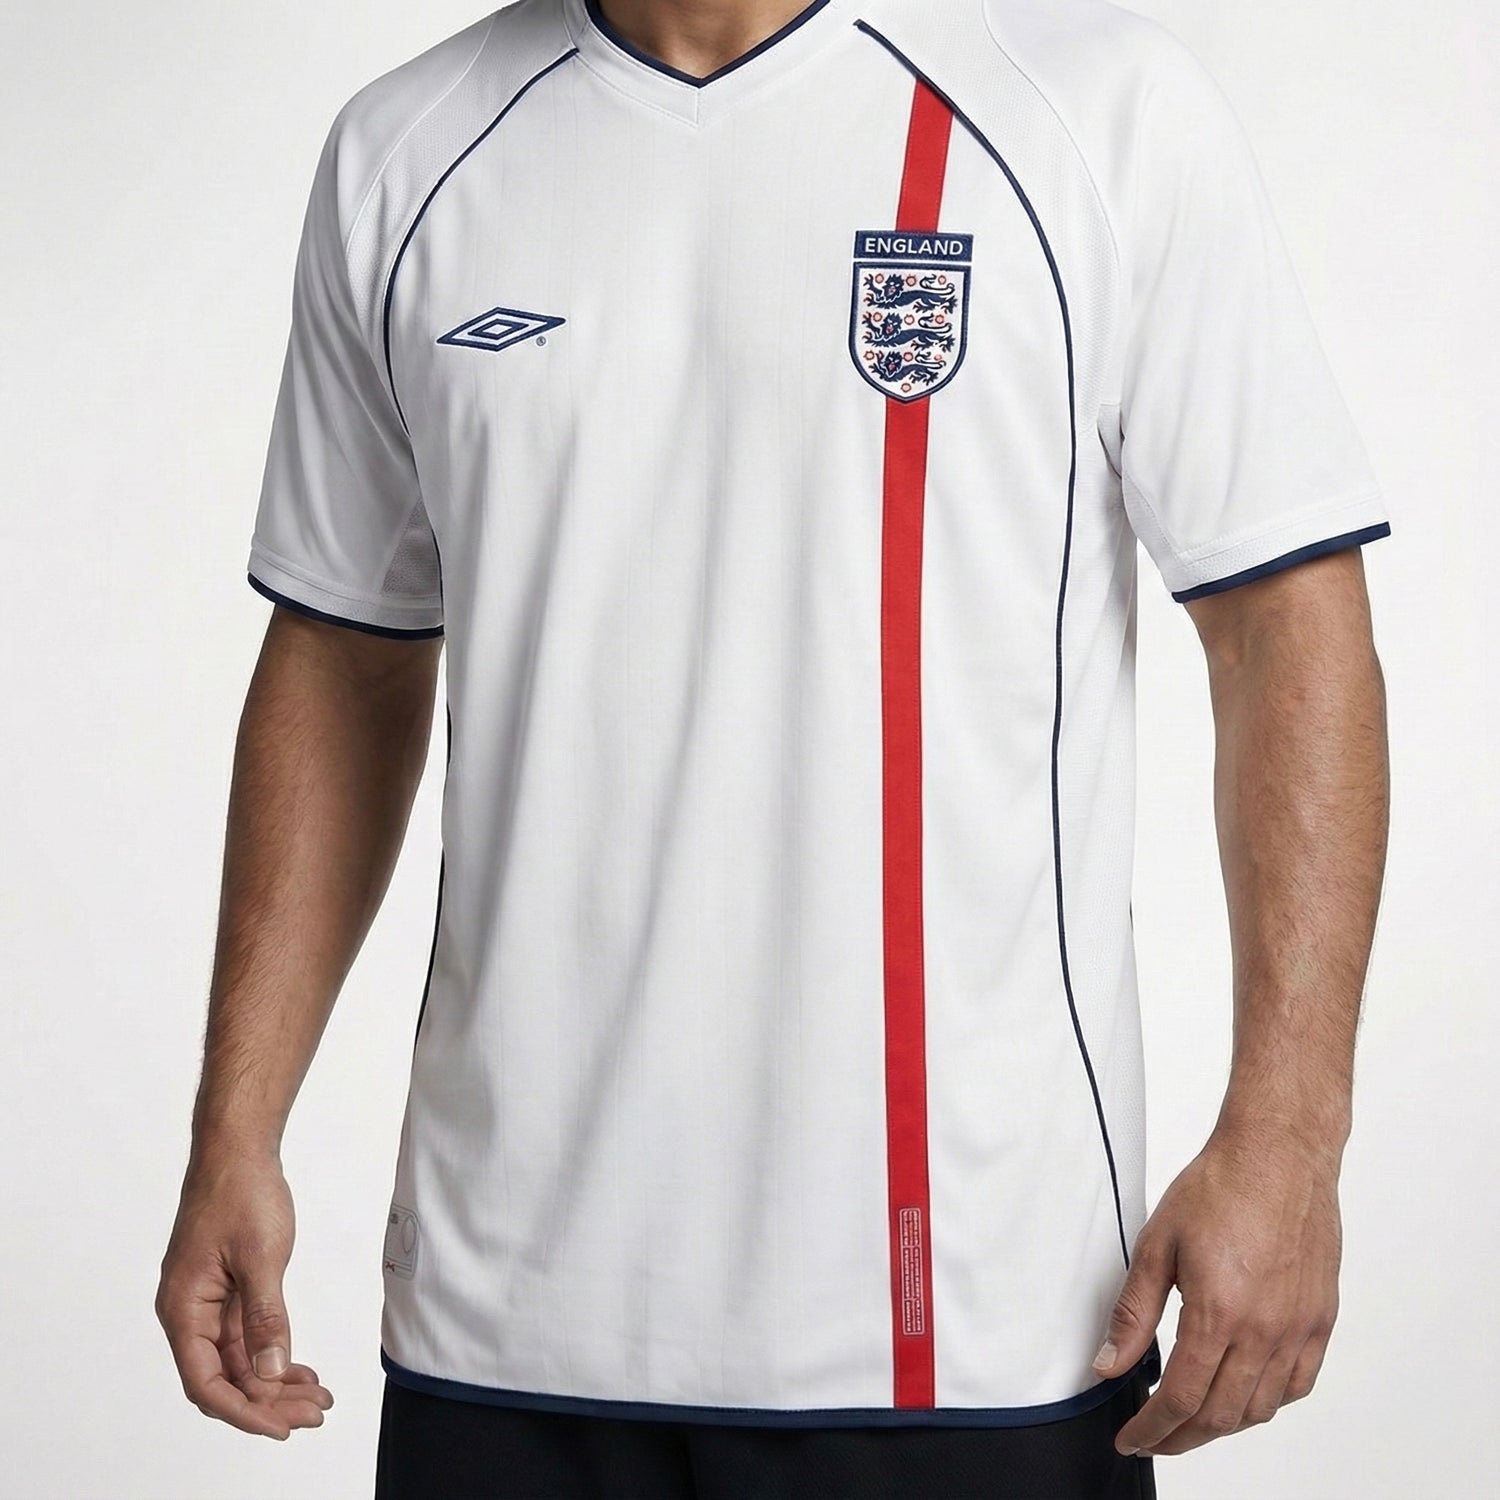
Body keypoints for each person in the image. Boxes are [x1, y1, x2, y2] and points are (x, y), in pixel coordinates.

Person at [155, 0, 1391, 1495]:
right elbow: (345, 655)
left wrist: (1289, 1136)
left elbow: (1282, 629)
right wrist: (236, 1127)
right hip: (504, 1327)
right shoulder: (405, 152)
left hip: (979, 1330)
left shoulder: (1094, 114)